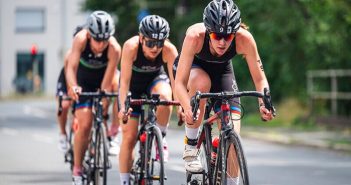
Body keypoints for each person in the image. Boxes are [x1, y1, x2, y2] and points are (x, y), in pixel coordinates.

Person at [174, 0, 275, 183]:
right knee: (202, 82)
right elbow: (179, 83)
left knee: (233, 143)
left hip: (222, 72)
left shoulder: (245, 39)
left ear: (235, 32)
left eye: (228, 36)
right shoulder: (194, 35)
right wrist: (188, 108)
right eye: (216, 35)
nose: (222, 42)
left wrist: (264, 103)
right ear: (207, 30)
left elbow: (260, 79)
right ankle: (190, 146)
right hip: (194, 70)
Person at [118, 15, 178, 185]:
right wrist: (124, 106)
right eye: (150, 42)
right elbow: (123, 82)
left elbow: (176, 84)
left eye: (159, 43)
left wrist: (182, 107)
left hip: (155, 82)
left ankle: (161, 136)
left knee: (166, 98)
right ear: (141, 37)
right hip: (132, 87)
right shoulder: (130, 47)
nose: (155, 48)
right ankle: (124, 181)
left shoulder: (169, 50)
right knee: (129, 137)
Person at [65, 10, 122, 185]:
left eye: (105, 40)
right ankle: (77, 170)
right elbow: (71, 68)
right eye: (97, 40)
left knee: (117, 86)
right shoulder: (80, 39)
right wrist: (73, 87)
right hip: (83, 81)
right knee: (85, 124)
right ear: (89, 34)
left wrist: (103, 104)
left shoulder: (114, 48)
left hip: (102, 80)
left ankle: (112, 131)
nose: (100, 44)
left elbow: (108, 80)